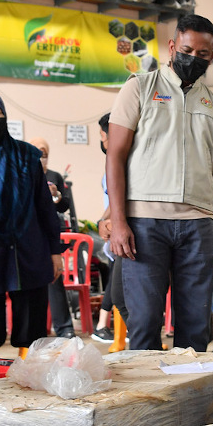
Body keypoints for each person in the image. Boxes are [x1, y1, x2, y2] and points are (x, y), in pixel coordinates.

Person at [106, 14, 213, 352]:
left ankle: (190, 402)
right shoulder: (140, 87)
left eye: (203, 54)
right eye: (188, 50)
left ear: (212, 56)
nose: (194, 58)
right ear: (173, 46)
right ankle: (141, 404)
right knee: (144, 323)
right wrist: (118, 222)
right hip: (145, 224)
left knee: (194, 326)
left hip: (198, 227)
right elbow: (114, 157)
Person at [0, 90, 64, 356]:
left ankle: (29, 372)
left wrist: (54, 250)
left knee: (31, 316)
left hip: (28, 246)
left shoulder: (27, 155)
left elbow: (44, 206)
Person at [33, 136, 76, 339]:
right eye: (38, 151)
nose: (42, 155)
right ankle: (36, 331)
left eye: (45, 152)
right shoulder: (22, 172)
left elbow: (63, 205)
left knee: (55, 277)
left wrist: (56, 194)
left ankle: (65, 328)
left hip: (49, 234)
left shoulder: (54, 175)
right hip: (29, 234)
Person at [91, 113, 119, 343]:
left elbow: (115, 198)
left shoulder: (118, 158)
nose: (102, 140)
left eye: (103, 135)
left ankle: (104, 325)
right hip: (114, 229)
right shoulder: (113, 160)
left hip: (116, 228)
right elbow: (113, 199)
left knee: (117, 283)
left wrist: (103, 221)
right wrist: (104, 222)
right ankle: (102, 325)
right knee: (116, 283)